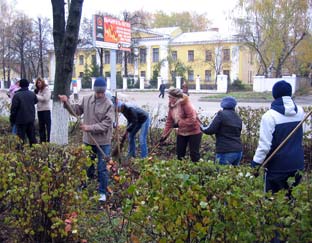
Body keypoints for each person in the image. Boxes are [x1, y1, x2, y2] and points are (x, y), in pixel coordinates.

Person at [59, 77, 114, 202]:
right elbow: (76, 111)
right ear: (94, 90)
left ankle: (102, 192)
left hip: (103, 142)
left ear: (105, 91)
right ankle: (84, 187)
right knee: (87, 165)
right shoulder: (87, 99)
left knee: (102, 168)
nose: (100, 94)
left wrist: (89, 127)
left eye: (102, 92)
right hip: (88, 140)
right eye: (98, 92)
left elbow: (106, 124)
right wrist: (66, 103)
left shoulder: (109, 104)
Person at [251, 80, 305, 195]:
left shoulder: (269, 116)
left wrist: (255, 164)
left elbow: (264, 146)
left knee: (273, 204)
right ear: (290, 93)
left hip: (277, 168)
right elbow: (301, 136)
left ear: (274, 94)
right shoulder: (300, 111)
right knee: (292, 202)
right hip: (297, 164)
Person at [160, 88, 202, 162]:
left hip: (194, 131)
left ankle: (197, 170)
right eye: (169, 97)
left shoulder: (186, 104)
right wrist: (164, 135)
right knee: (180, 154)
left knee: (194, 155)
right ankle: (181, 170)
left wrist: (179, 123)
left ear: (176, 98)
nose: (169, 99)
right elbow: (169, 121)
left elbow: (192, 119)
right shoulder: (172, 105)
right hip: (182, 132)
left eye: (171, 97)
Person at [201, 96, 243, 165]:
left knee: (219, 173)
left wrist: (201, 126)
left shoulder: (221, 114)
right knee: (233, 174)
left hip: (225, 151)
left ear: (222, 104)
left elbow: (209, 130)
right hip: (238, 151)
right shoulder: (238, 117)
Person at [10, 79, 38, 146]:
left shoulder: (17, 95)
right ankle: (35, 152)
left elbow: (13, 109)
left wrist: (12, 120)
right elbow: (36, 101)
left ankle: (20, 153)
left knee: (20, 139)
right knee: (32, 138)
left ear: (20, 85)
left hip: (20, 120)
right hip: (31, 119)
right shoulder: (32, 94)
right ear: (28, 85)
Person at [34, 77, 51, 143]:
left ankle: (49, 140)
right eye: (37, 83)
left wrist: (36, 96)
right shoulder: (38, 90)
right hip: (39, 110)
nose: (38, 84)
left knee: (48, 126)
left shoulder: (46, 89)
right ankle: (42, 141)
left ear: (42, 82)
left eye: (39, 82)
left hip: (46, 110)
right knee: (41, 126)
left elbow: (46, 98)